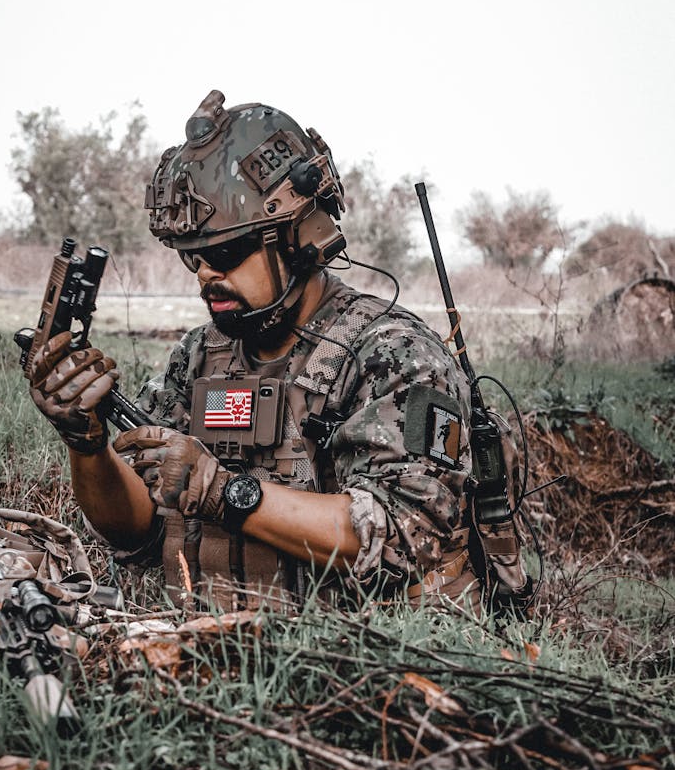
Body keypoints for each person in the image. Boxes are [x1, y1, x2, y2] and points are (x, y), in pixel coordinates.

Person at [27, 90, 481, 610]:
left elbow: (408, 534)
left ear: (297, 237)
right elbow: (138, 532)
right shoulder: (200, 356)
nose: (206, 276)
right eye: (192, 259)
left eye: (224, 252)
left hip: (360, 661)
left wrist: (225, 491)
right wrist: (86, 445)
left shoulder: (394, 354)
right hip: (213, 657)